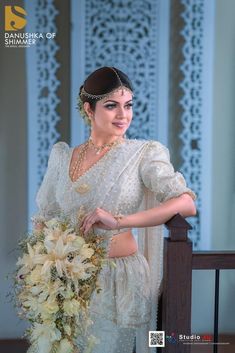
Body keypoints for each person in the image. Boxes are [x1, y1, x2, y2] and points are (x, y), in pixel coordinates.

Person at [33, 66, 197, 353]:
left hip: (119, 281)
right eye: (111, 106)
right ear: (89, 109)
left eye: (128, 105)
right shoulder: (62, 157)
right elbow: (45, 217)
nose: (123, 115)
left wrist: (119, 220)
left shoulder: (142, 154)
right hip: (68, 279)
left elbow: (186, 202)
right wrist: (37, 266)